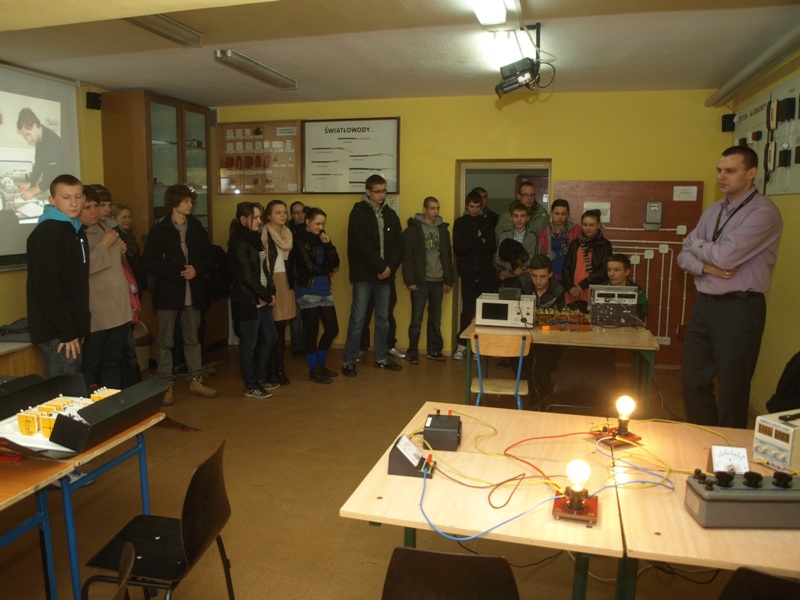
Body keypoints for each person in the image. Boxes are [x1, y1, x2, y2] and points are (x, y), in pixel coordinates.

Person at [678, 145, 783, 429]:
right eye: (719, 170)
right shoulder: (714, 210)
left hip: (740, 307)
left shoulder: (763, 212)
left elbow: (725, 256)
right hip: (705, 305)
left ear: (751, 173)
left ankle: (730, 450)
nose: (721, 177)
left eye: (730, 171)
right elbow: (683, 255)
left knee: (732, 389)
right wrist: (707, 267)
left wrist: (697, 246)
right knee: (692, 380)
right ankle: (703, 436)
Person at [142, 184, 217, 406]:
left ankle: (196, 379)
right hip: (168, 292)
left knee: (192, 338)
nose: (190, 204)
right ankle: (165, 383)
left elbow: (208, 257)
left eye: (191, 201)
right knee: (165, 340)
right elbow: (150, 262)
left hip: (192, 291)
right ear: (174, 202)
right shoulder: (160, 230)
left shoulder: (197, 228)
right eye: (185, 201)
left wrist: (197, 270)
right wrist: (176, 272)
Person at [26, 174, 90, 378]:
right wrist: (67, 332)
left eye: (78, 197)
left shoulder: (76, 230)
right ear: (52, 200)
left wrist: (80, 327)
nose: (73, 203)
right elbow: (48, 288)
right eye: (66, 197)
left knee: (75, 388)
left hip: (72, 328)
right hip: (59, 334)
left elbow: (77, 283)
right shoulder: (48, 232)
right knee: (68, 392)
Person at [341, 174, 404, 376]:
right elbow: (360, 245)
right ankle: (349, 361)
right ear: (368, 192)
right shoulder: (358, 213)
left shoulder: (391, 215)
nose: (381, 195)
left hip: (386, 275)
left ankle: (381, 358)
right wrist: (380, 266)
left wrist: (389, 267)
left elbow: (399, 245)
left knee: (383, 318)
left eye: (384, 191)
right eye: (377, 191)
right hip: (364, 274)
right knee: (358, 318)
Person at [78, 186, 137, 389]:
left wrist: (120, 249)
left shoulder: (106, 229)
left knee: (113, 361)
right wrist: (104, 245)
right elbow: (82, 269)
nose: (94, 211)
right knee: (91, 364)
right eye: (88, 207)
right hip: (96, 314)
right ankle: (90, 406)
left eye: (97, 206)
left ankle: (111, 403)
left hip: (118, 309)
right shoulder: (76, 235)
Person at [228, 202, 278, 398]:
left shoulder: (255, 239)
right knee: (249, 343)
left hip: (262, 297)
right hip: (247, 299)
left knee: (270, 337)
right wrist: (266, 295)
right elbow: (247, 277)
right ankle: (250, 385)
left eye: (260, 217)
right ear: (243, 219)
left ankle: (260, 377)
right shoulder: (238, 242)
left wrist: (270, 289)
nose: (259, 221)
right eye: (255, 217)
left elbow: (264, 268)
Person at [402, 196, 454, 364]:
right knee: (416, 319)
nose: (435, 211)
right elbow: (407, 257)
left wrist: (449, 279)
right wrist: (409, 280)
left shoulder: (443, 230)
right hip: (420, 281)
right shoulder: (413, 230)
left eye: (437, 208)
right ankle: (413, 351)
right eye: (432, 208)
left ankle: (434, 350)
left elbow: (447, 256)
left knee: (435, 320)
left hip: (438, 280)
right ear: (424, 209)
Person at [294, 207, 341, 383]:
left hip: (324, 290)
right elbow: (309, 268)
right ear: (308, 221)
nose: (321, 227)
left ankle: (320, 364)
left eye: (323, 224)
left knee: (332, 329)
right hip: (307, 290)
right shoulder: (299, 239)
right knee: (312, 332)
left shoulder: (323, 238)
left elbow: (335, 262)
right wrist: (327, 269)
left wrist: (328, 245)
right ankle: (314, 368)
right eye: (317, 223)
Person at [452, 189, 497, 360]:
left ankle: (479, 347)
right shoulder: (460, 223)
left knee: (483, 312)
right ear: (466, 205)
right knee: (468, 311)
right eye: (472, 206)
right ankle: (462, 345)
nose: (475, 210)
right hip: (468, 275)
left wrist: (471, 246)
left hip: (486, 274)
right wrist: (478, 241)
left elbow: (490, 247)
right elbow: (459, 248)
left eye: (478, 206)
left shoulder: (487, 223)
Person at [262, 199, 297, 386]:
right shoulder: (263, 234)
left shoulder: (288, 234)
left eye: (284, 212)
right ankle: (267, 370)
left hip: (286, 282)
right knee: (270, 332)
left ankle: (279, 369)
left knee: (281, 329)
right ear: (268, 216)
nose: (283, 215)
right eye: (278, 212)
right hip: (270, 282)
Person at [528, 255, 565, 396]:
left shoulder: (558, 289)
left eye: (542, 276)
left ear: (550, 274)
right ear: (529, 273)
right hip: (523, 336)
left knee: (545, 358)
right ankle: (531, 388)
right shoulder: (520, 284)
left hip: (547, 337)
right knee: (518, 357)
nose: (538, 281)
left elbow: (559, 317)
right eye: (534, 276)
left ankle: (540, 395)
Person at [563, 209, 613, 311]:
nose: (588, 228)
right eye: (585, 225)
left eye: (591, 225)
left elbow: (605, 271)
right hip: (573, 292)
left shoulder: (605, 245)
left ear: (599, 225)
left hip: (592, 292)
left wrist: (583, 285)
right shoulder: (575, 243)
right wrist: (570, 286)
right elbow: (566, 268)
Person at [16, 108, 66, 201]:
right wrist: (30, 182)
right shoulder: (40, 139)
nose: (28, 139)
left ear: (34, 125)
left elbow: (52, 175)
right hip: (51, 184)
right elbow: (38, 164)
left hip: (62, 188)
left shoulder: (52, 142)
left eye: (28, 134)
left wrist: (32, 192)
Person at [494, 202, 540, 294]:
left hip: (526, 277)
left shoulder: (533, 236)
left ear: (528, 218)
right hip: (506, 278)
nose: (519, 220)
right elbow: (497, 260)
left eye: (522, 216)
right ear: (511, 218)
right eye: (515, 216)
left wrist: (510, 273)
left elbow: (533, 260)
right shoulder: (504, 235)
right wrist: (514, 271)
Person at [538, 198, 580, 281]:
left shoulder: (576, 230)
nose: (560, 217)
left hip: (571, 275)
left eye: (563, 214)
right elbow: (540, 256)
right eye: (557, 213)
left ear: (568, 214)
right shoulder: (544, 233)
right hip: (549, 276)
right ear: (551, 213)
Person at [287, 201, 307, 356]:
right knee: (295, 314)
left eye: (302, 211)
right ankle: (297, 346)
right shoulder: (286, 230)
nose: (299, 215)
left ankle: (308, 344)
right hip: (293, 276)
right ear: (291, 215)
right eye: (295, 212)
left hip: (309, 277)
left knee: (309, 314)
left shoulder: (312, 227)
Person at [606, 253, 648, 320]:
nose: (611, 274)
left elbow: (640, 316)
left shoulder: (639, 291)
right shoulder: (598, 290)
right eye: (609, 270)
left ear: (627, 272)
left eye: (616, 270)